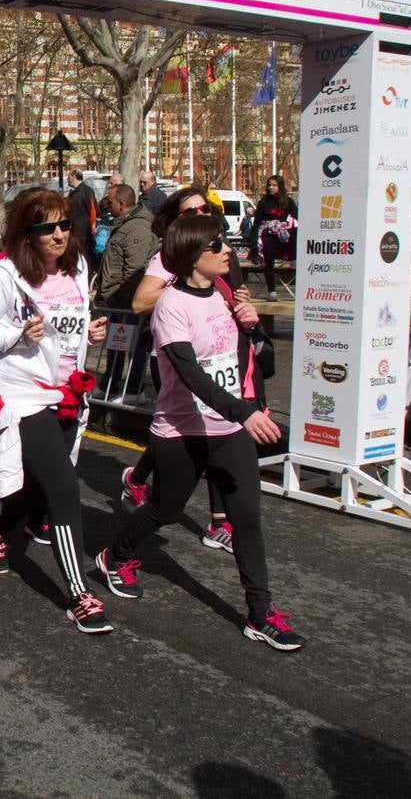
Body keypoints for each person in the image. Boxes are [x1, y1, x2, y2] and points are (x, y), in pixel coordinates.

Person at [95, 214, 303, 651]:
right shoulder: (172, 306)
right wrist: (243, 412)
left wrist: (254, 329)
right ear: (194, 255)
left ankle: (260, 614)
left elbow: (259, 363)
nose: (228, 250)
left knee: (246, 520)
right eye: (218, 245)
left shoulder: (225, 295)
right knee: (164, 510)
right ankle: (115, 554)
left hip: (229, 429)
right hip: (183, 430)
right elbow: (190, 374)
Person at [0, 189, 114, 635]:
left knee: (40, 489)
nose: (59, 235)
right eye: (47, 227)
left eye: (65, 224)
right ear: (26, 233)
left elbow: (69, 331)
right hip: (21, 394)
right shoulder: (5, 275)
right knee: (65, 487)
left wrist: (92, 331)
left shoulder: (79, 266)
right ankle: (79, 594)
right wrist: (15, 333)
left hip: (68, 391)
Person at [123, 187, 253, 551]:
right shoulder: (170, 258)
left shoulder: (218, 250)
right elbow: (139, 303)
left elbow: (232, 297)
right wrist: (184, 288)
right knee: (182, 428)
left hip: (220, 356)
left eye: (204, 207)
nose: (199, 212)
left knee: (214, 432)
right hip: (177, 355)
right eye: (189, 210)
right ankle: (138, 481)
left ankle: (218, 523)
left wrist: (240, 306)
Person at [96, 183, 157, 397]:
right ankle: (110, 384)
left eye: (111, 200)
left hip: (127, 301)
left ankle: (133, 388)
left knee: (133, 346)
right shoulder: (126, 224)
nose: (107, 203)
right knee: (117, 344)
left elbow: (135, 269)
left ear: (121, 204)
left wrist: (121, 297)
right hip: (118, 300)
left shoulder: (137, 227)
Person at [253, 175, 298, 300]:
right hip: (267, 234)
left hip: (282, 234)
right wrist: (253, 244)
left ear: (280, 186)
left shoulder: (287, 201)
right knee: (269, 262)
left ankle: (294, 259)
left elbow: (298, 216)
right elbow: (256, 223)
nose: (271, 187)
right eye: (269, 185)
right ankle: (271, 291)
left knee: (295, 230)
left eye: (274, 185)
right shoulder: (263, 202)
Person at [66, 169, 96, 264]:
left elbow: (93, 211)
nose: (67, 179)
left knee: (84, 260)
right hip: (75, 232)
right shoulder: (74, 192)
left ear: (74, 176)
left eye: (68, 176)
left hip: (83, 235)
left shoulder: (86, 191)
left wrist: (90, 230)